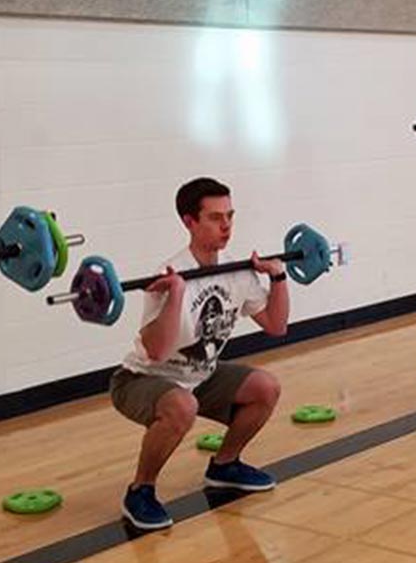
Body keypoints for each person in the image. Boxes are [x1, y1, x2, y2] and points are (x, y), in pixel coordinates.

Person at [110, 177, 289, 531]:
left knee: (266, 388)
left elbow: (275, 325)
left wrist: (279, 278)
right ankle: (140, 491)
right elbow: (157, 350)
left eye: (230, 216)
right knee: (182, 406)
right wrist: (175, 294)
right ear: (189, 222)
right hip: (143, 379)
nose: (226, 226)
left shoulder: (235, 270)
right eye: (214, 218)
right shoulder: (169, 275)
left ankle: (225, 466)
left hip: (198, 375)